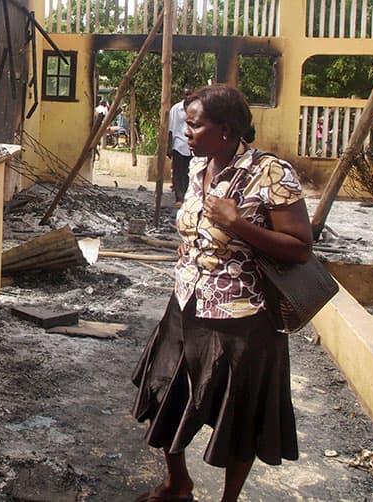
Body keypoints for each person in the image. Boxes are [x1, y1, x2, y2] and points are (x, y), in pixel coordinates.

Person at [131, 85, 313, 502]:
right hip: (186, 304)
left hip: (242, 318)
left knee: (239, 418)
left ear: (227, 130)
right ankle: (179, 485)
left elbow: (301, 247)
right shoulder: (199, 167)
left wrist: (237, 223)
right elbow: (199, 228)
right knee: (163, 394)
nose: (187, 132)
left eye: (195, 125)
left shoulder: (272, 174)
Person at [167, 87, 193, 202]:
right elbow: (170, 129)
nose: (189, 97)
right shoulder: (176, 109)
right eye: (186, 94)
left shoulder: (197, 108)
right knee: (178, 172)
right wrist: (169, 147)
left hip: (192, 145)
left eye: (190, 94)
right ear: (183, 95)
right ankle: (179, 197)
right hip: (178, 144)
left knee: (190, 172)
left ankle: (187, 196)